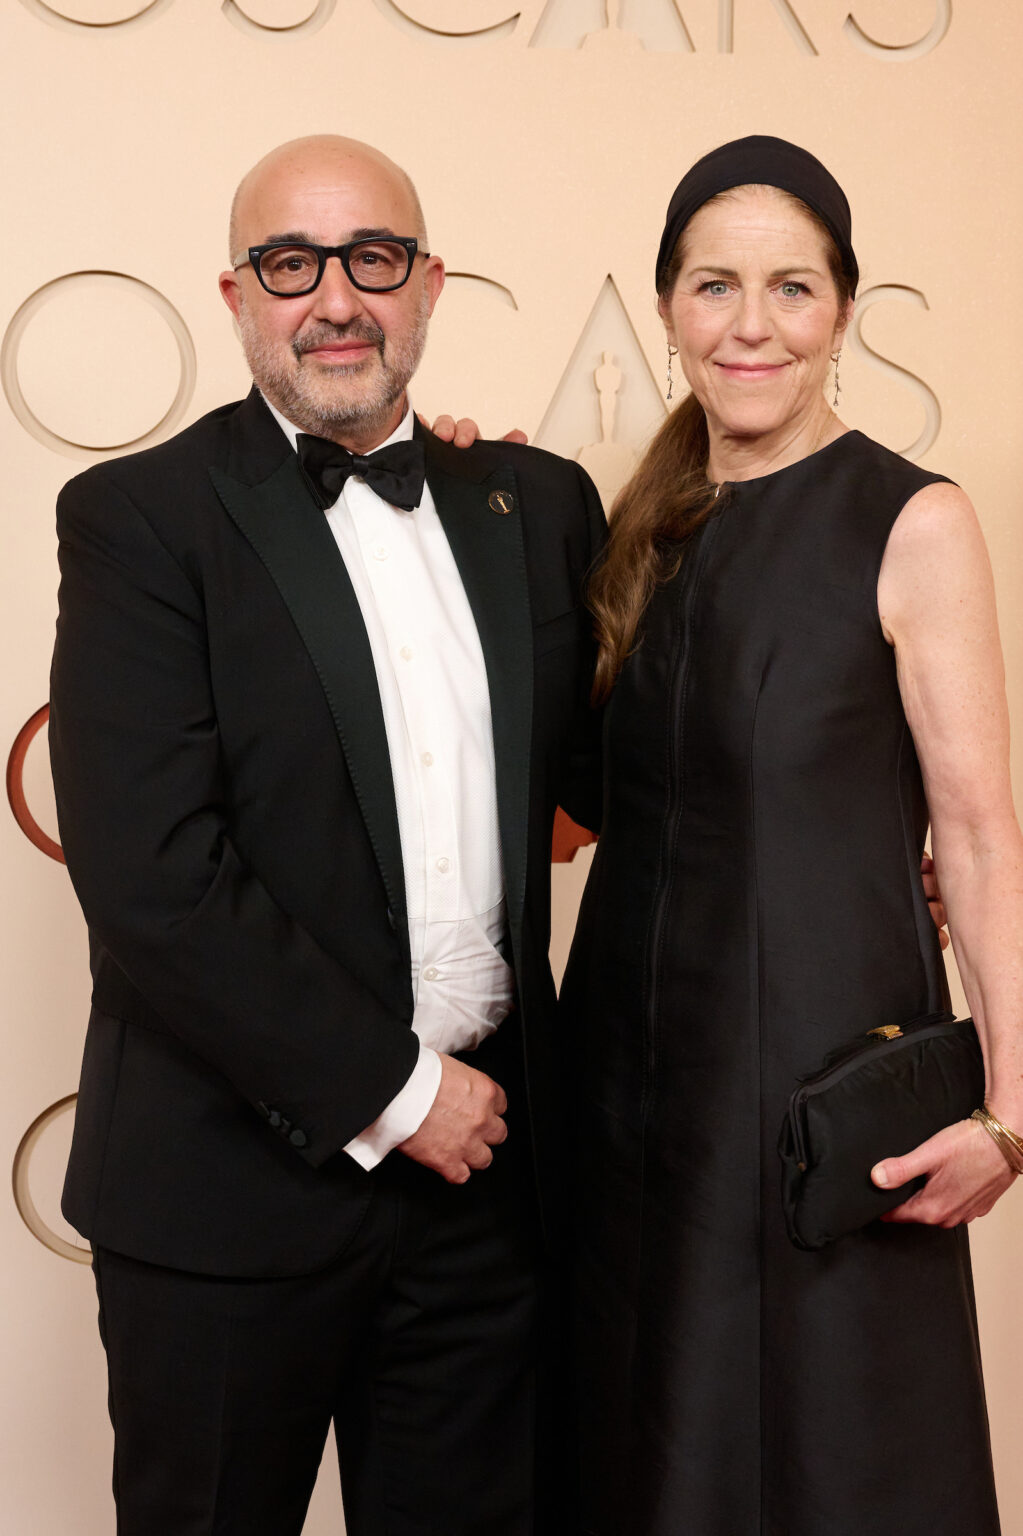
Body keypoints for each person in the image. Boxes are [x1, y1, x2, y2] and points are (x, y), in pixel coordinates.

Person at [48, 134, 603, 1536]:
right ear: (238, 299)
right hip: (227, 1198)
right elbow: (156, 881)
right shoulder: (137, 521)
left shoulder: (532, 508)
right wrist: (402, 1095)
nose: (335, 300)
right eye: (292, 265)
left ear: (429, 286)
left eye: (374, 259)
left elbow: (629, 777)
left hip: (487, 1206)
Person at [556, 135, 1023, 1535]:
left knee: (832, 1471)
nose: (749, 325)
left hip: (820, 1109)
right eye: (713, 287)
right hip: (625, 1105)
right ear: (666, 308)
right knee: (631, 1464)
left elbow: (984, 837)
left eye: (790, 288)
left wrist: (1012, 1111)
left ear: (841, 311)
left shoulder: (914, 519)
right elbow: (587, 804)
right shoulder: (637, 526)